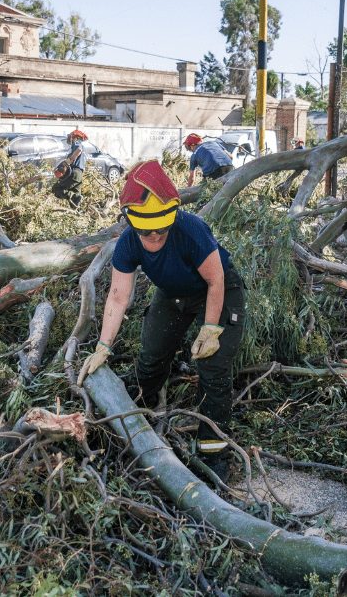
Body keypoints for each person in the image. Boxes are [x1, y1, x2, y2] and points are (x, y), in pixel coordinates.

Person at [77, 160, 246, 479]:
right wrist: (103, 346)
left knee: (213, 367)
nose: (154, 237)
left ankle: (213, 451)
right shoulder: (127, 244)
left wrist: (211, 329)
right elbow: (117, 296)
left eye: (160, 231)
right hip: (172, 294)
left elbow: (216, 281)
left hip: (219, 289)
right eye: (146, 232)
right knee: (151, 356)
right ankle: (140, 414)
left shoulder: (191, 229)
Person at [52, 129, 88, 207]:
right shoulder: (82, 147)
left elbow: (78, 150)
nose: (70, 138)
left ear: (77, 137)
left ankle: (75, 197)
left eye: (72, 136)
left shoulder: (77, 143)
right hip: (79, 174)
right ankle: (77, 213)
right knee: (76, 199)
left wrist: (67, 162)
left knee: (56, 189)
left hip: (74, 172)